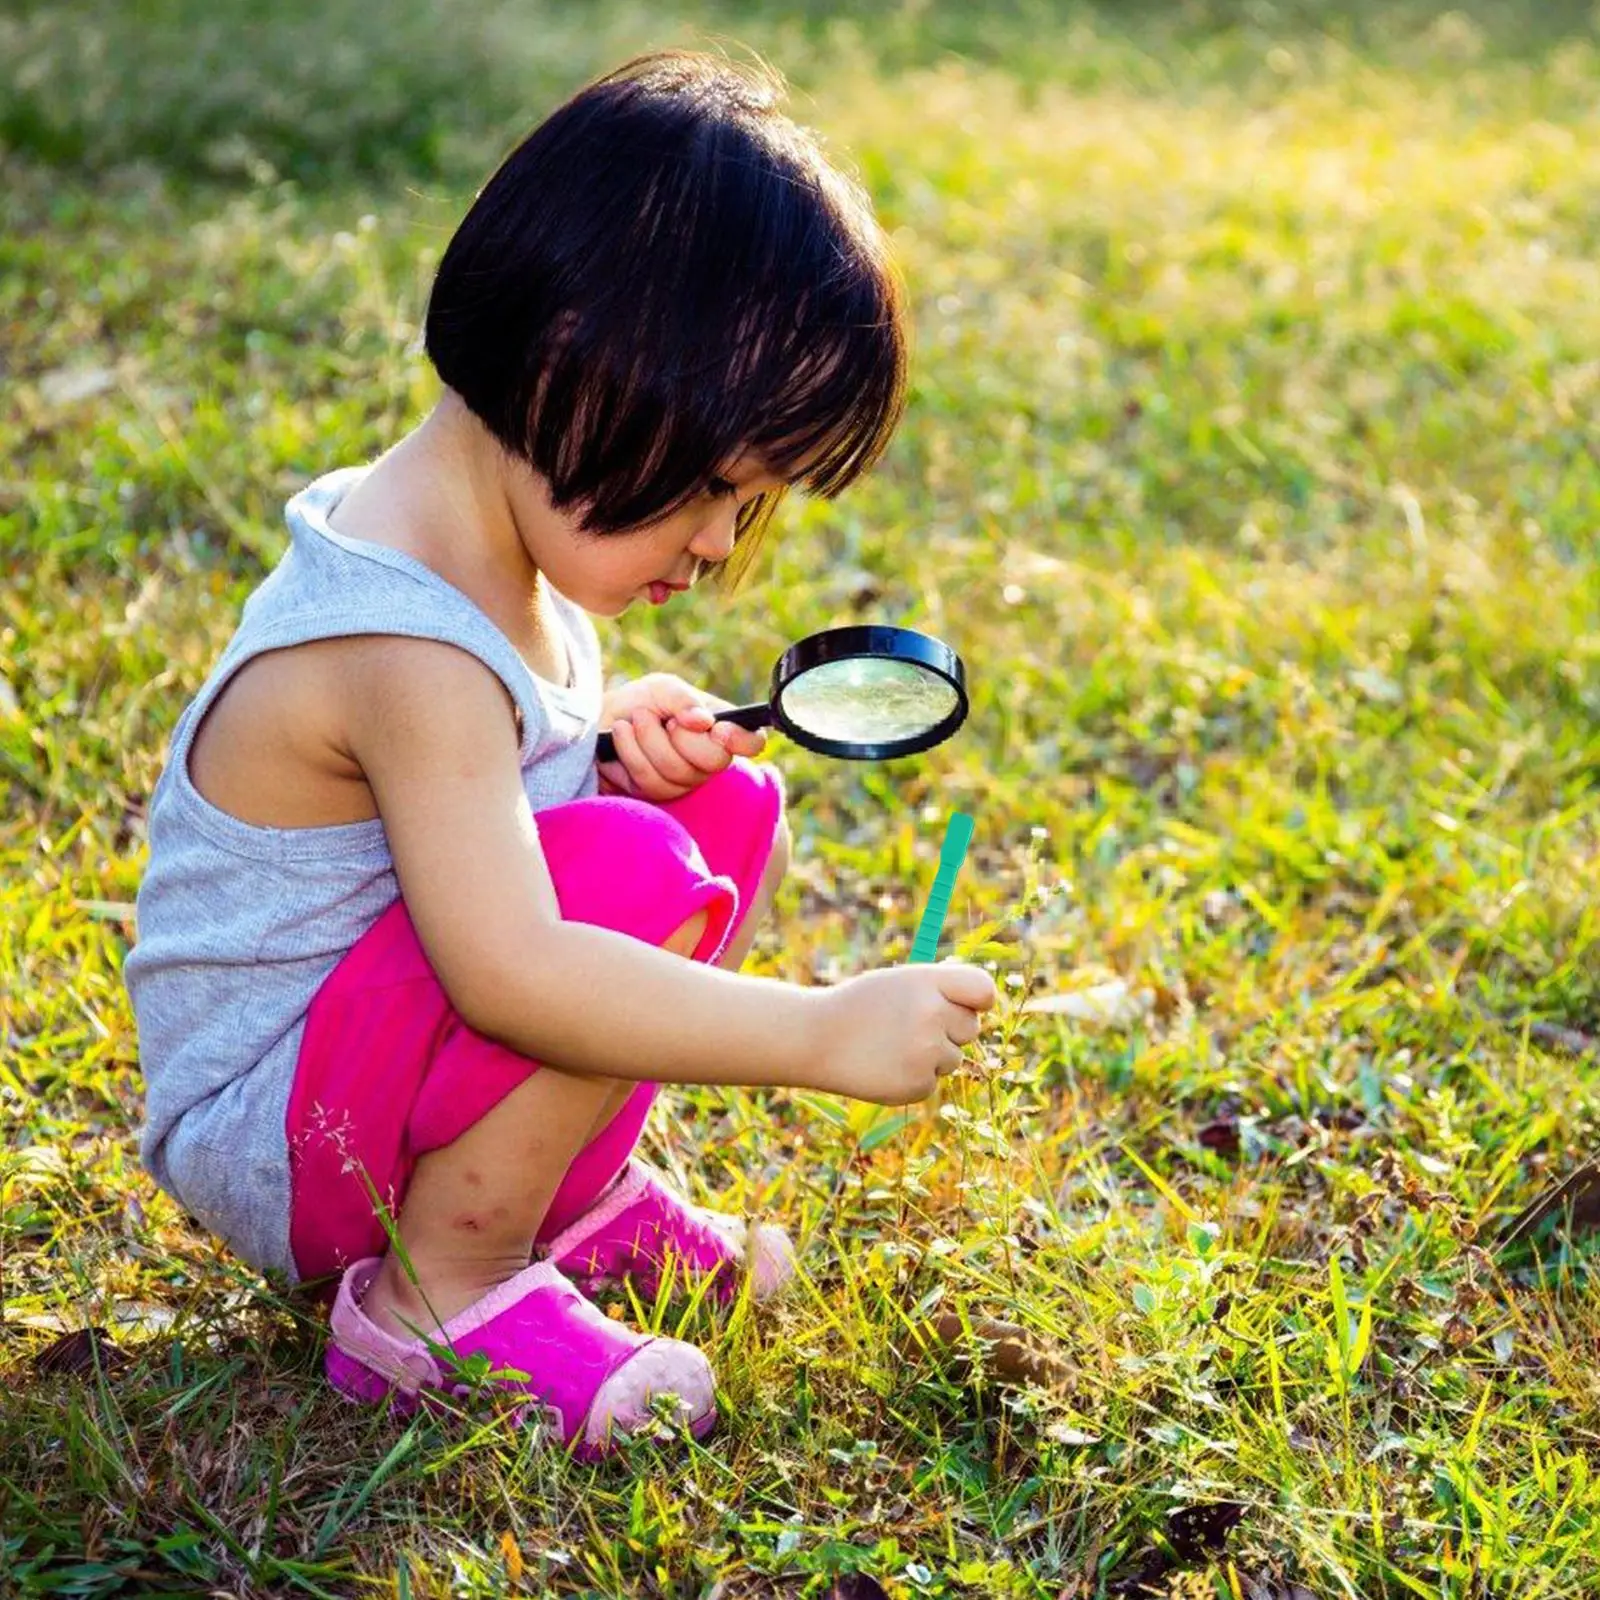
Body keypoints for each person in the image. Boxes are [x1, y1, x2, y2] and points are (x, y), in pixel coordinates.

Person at [123, 50, 997, 1462]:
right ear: (573, 364)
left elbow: (463, 810)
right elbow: (511, 970)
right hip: (282, 1138)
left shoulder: (488, 541)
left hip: (363, 1063)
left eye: (749, 504)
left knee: (719, 797)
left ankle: (560, 1206)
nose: (719, 544)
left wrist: (593, 743)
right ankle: (436, 1298)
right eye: (717, 488)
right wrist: (817, 1033)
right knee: (632, 874)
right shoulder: (403, 642)